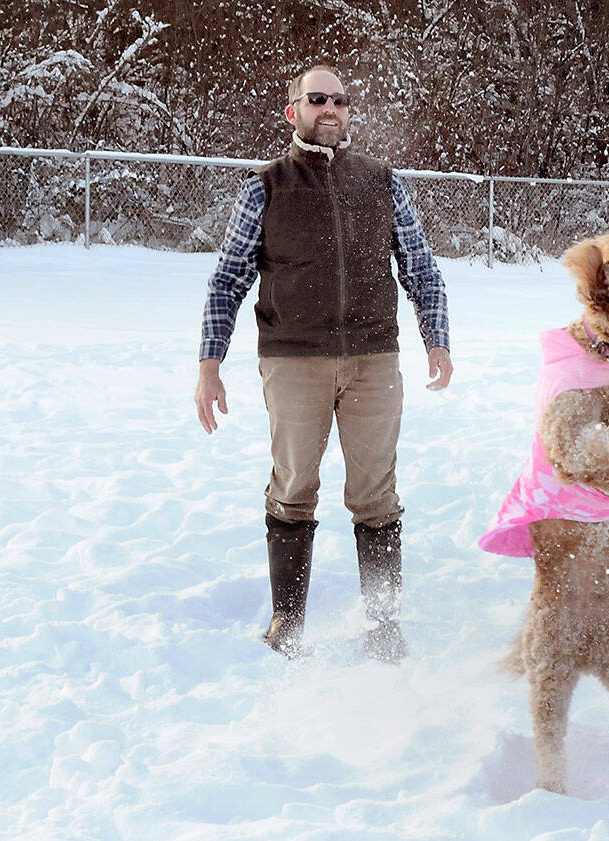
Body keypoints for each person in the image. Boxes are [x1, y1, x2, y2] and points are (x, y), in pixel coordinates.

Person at [194, 64, 452, 662]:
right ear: (294, 111)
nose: (330, 108)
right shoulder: (266, 187)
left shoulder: (384, 183)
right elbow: (228, 280)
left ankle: (384, 624)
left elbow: (420, 269)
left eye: (339, 99)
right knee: (293, 487)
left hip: (373, 359)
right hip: (293, 361)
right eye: (317, 99)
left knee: (376, 493)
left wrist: (435, 339)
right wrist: (210, 365)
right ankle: (288, 620)